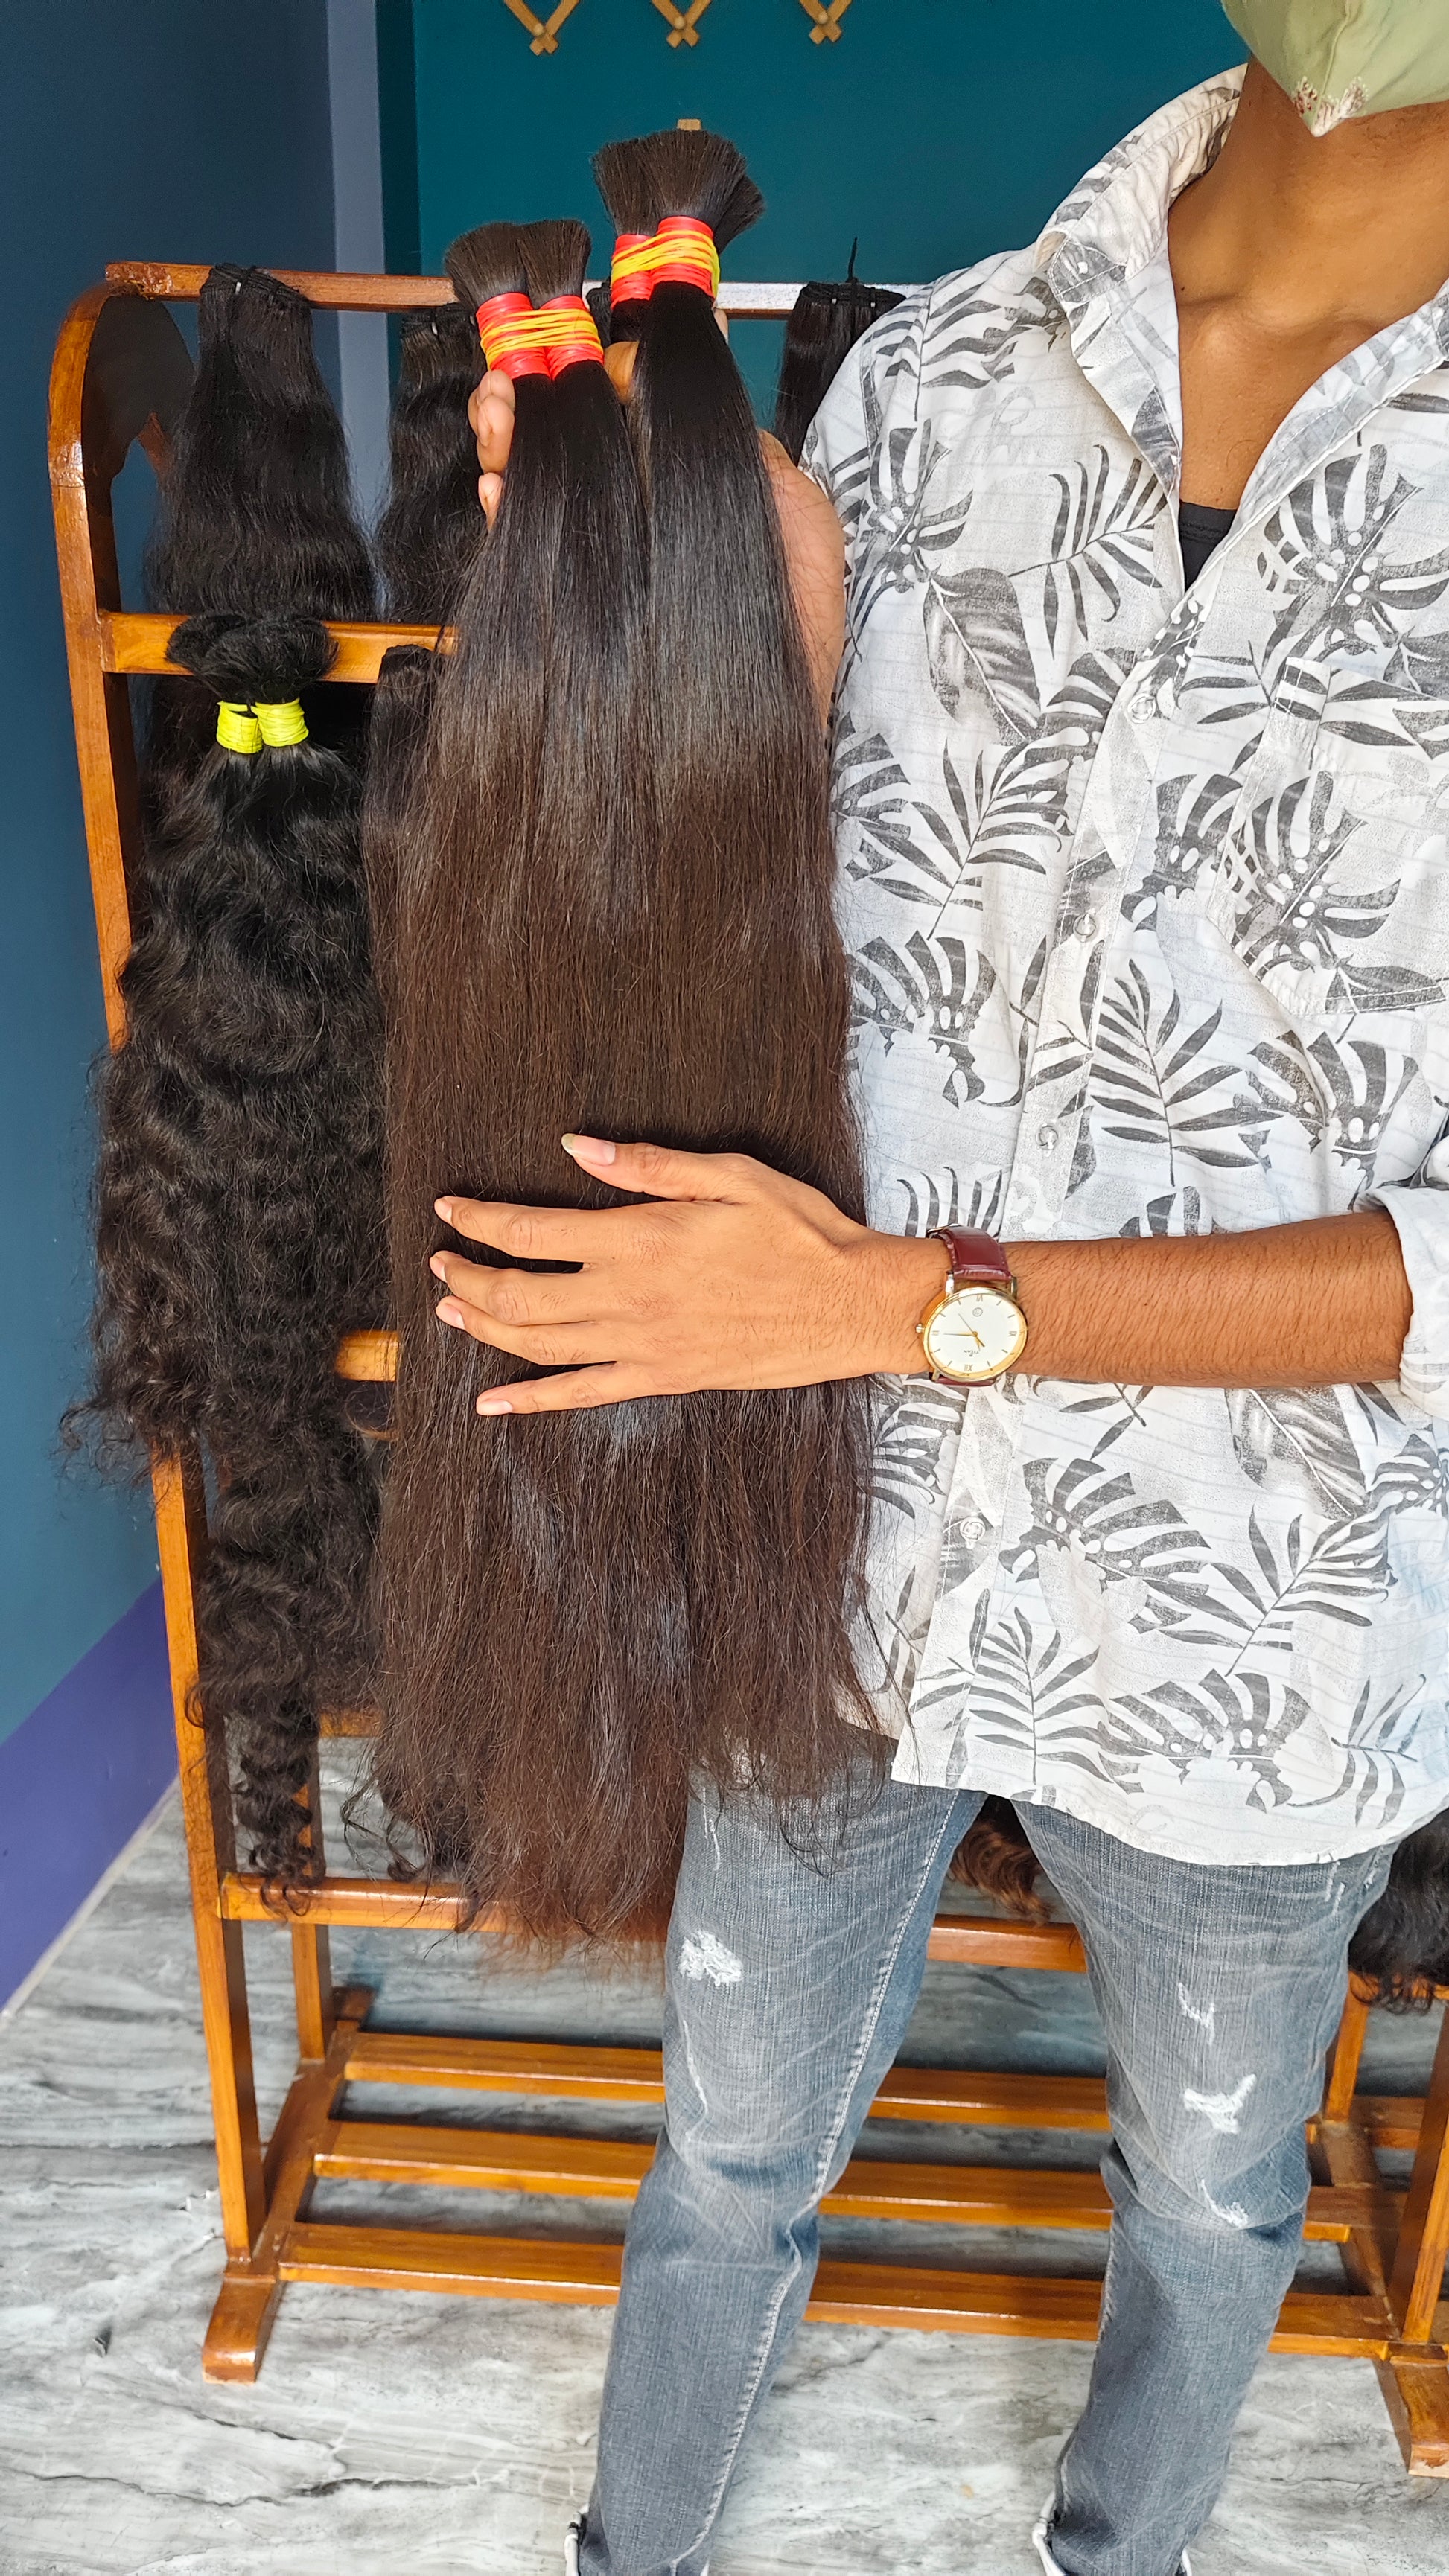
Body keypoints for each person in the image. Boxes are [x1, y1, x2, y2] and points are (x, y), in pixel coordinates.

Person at [441, 26, 1449, 2575]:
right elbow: (798, 885)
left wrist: (913, 1301)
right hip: (838, 1546)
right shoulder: (935, 382)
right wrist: (674, 623)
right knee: (725, 2143)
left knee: (1211, 2192)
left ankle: (1121, 2550)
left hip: (1264, 1631)